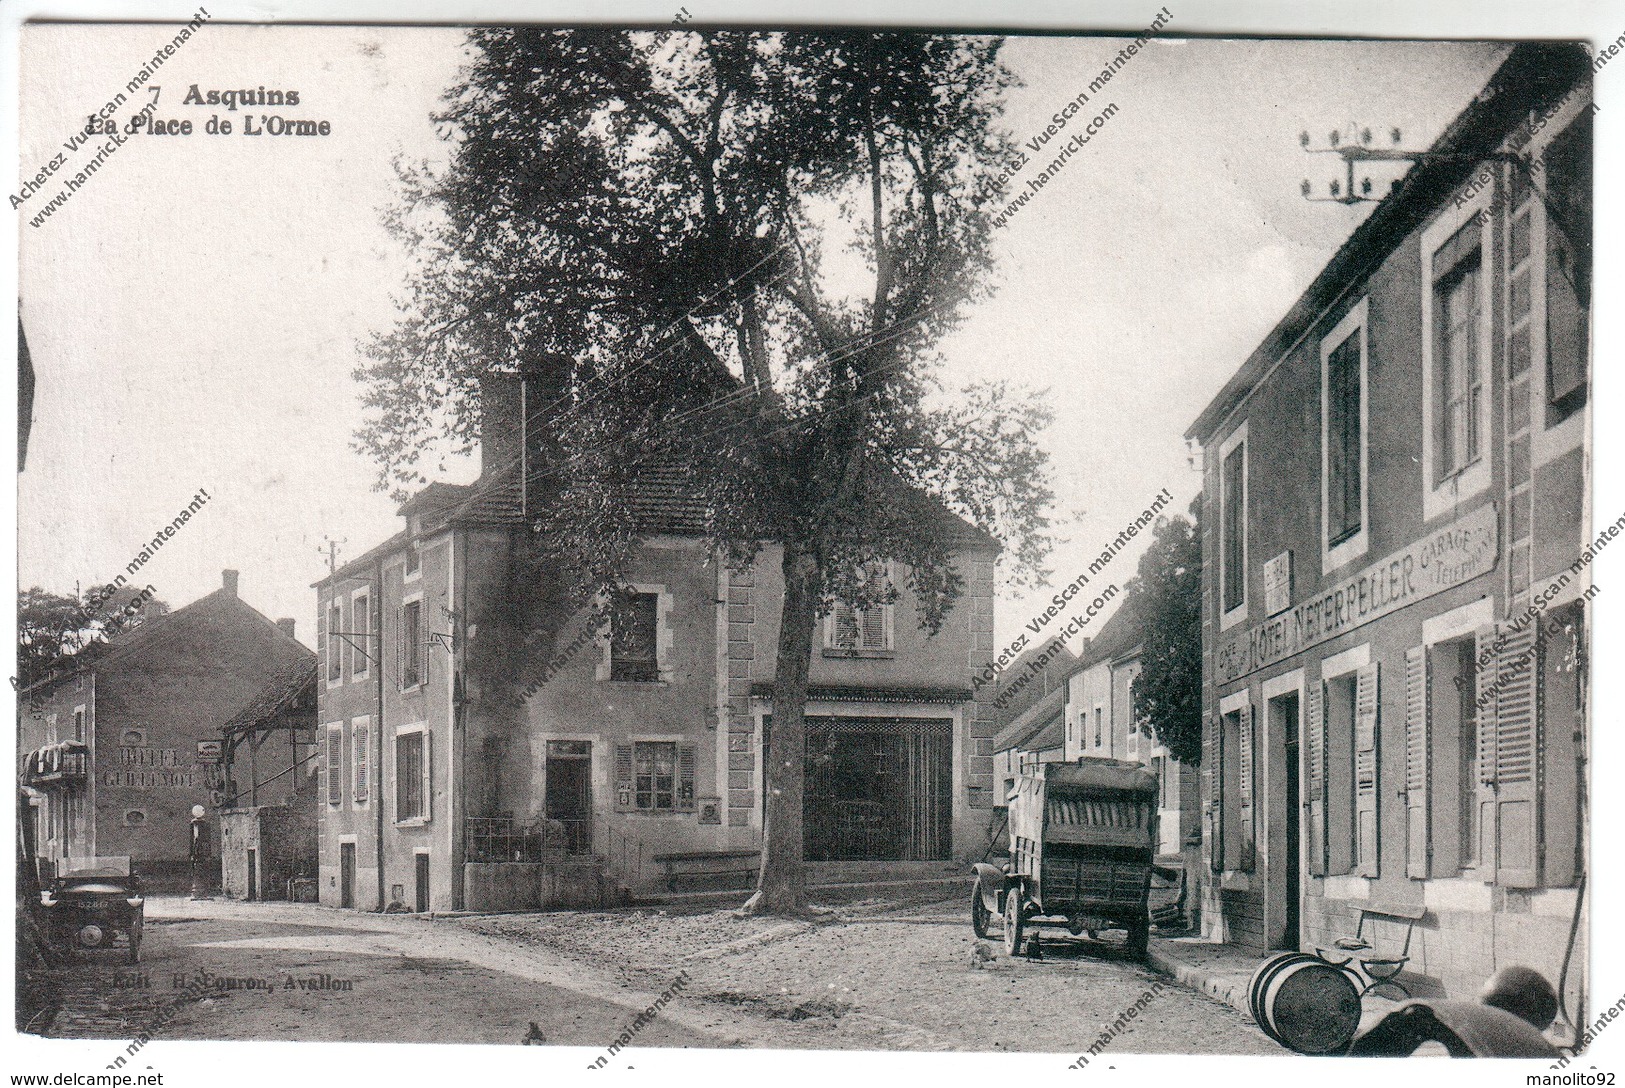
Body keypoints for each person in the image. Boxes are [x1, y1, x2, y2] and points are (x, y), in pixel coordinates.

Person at [188, 804, 213, 900]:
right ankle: (198, 891)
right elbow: (194, 840)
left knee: (201, 871)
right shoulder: (194, 826)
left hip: (201, 854)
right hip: (198, 854)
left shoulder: (204, 826)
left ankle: (200, 892)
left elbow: (201, 840)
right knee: (197, 871)